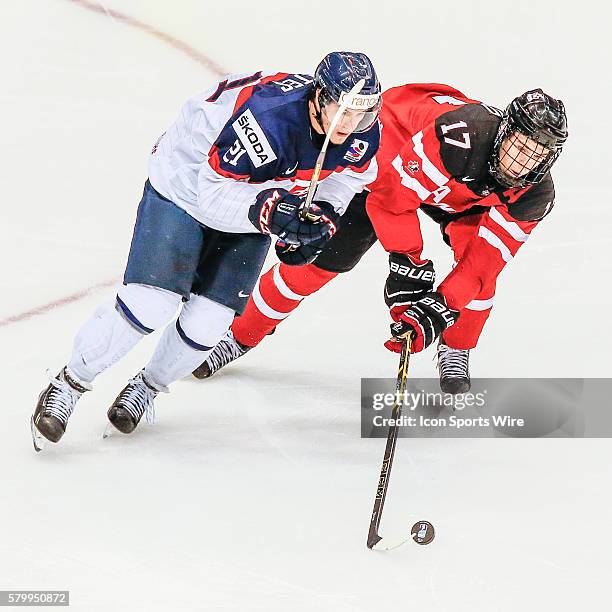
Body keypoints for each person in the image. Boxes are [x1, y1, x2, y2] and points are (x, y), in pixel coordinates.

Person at [31, 51, 382, 447]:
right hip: (185, 188)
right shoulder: (270, 121)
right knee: (150, 303)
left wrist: (322, 215)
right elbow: (211, 197)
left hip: (254, 198)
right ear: (319, 97)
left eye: (362, 113)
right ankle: (70, 383)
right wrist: (267, 212)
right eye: (344, 111)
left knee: (209, 324)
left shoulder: (363, 130)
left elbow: (351, 176)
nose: (351, 125)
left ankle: (148, 386)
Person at [193, 84, 568, 393]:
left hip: (461, 195)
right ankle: (240, 333)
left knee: (478, 282)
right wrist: (408, 263)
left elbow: (483, 265)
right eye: (518, 147)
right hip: (392, 159)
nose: (520, 164)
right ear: (503, 131)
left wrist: (440, 307)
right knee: (319, 262)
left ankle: (456, 346)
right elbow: (391, 202)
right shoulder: (459, 137)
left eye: (536, 155)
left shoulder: (535, 194)